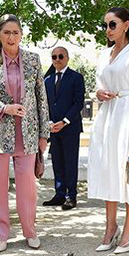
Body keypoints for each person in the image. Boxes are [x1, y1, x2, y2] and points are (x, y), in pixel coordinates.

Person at [0, 14, 50, 252]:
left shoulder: (33, 60)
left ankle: (30, 231)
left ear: (21, 35)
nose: (11, 37)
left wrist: (44, 133)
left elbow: (41, 99)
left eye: (15, 32)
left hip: (27, 133)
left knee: (28, 188)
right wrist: (3, 108)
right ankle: (0, 233)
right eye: (6, 32)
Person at [88, 7, 129, 254]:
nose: (108, 30)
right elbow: (99, 85)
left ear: (126, 25)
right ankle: (110, 226)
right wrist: (98, 93)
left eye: (112, 24)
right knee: (108, 170)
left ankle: (128, 229)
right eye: (105, 25)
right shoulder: (104, 54)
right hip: (108, 116)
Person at [42, 46, 85, 210]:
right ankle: (59, 194)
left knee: (70, 163)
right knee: (57, 162)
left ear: (67, 58)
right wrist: (49, 123)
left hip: (70, 128)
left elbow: (78, 103)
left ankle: (71, 196)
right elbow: (45, 104)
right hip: (53, 129)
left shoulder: (76, 78)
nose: (57, 60)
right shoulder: (47, 80)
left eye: (61, 56)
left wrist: (64, 121)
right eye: (54, 57)